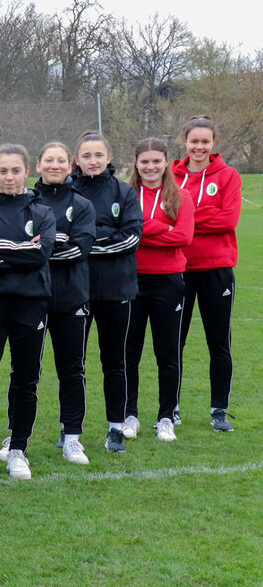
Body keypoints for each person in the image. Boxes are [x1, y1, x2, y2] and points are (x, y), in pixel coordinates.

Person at [0, 144, 55, 480]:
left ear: (26, 172)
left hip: (30, 303)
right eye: (2, 171)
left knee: (25, 378)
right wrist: (20, 248)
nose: (8, 177)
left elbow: (42, 252)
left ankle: (18, 449)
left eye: (15, 170)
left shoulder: (42, 210)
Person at [72, 131, 143, 451]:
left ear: (109, 157)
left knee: (115, 361)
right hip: (76, 290)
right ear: (77, 160)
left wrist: (86, 242)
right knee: (74, 363)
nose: (93, 161)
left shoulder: (124, 192)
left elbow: (130, 238)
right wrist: (100, 240)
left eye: (98, 155)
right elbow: (60, 239)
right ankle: (69, 429)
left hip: (117, 289)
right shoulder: (68, 192)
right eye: (86, 155)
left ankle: (116, 427)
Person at [171, 116, 241, 432]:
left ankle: (218, 410)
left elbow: (227, 221)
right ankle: (169, 408)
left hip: (216, 268)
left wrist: (185, 220)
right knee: (173, 343)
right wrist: (200, 216)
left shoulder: (228, 176)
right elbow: (163, 214)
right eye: (194, 141)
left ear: (214, 143)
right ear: (184, 142)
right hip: (177, 269)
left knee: (219, 343)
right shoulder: (170, 175)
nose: (199, 147)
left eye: (205, 141)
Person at [33, 142, 96, 464]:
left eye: (61, 160)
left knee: (72, 369)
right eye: (49, 160)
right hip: (31, 298)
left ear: (69, 166)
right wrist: (57, 239)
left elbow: (80, 249)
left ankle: (71, 436)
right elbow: (16, 247)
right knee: (25, 372)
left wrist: (40, 245)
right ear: (38, 166)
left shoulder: (82, 204)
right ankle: (18, 441)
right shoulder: (26, 203)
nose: (55, 165)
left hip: (71, 297)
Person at [129, 137, 194, 441]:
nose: (150, 167)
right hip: (131, 281)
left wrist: (144, 229)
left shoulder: (181, 196)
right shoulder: (127, 194)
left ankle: (166, 416)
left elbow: (183, 238)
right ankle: (129, 414)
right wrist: (161, 227)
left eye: (156, 161)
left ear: (166, 162)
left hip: (169, 279)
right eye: (145, 161)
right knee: (129, 352)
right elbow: (125, 232)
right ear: (136, 163)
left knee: (168, 352)